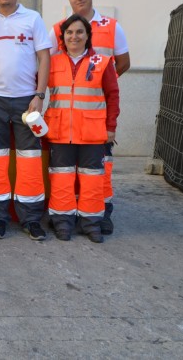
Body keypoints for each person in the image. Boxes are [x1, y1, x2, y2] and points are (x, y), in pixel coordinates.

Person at [49, 0, 131, 235]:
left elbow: (120, 68)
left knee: (96, 175)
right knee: (63, 176)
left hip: (95, 126)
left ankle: (97, 218)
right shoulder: (56, 37)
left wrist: (96, 80)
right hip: (64, 127)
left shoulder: (111, 27)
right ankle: (64, 219)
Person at [0, 0, 51, 241]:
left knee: (29, 160)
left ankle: (31, 219)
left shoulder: (33, 18)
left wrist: (39, 95)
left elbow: (44, 58)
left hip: (26, 99)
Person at [44, 14, 120, 243]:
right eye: (69, 32)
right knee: (61, 180)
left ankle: (91, 223)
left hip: (92, 133)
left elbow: (112, 95)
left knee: (92, 180)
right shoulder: (52, 62)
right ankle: (63, 222)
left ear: (88, 36)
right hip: (59, 131)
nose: (74, 36)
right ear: (62, 37)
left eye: (79, 32)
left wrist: (111, 127)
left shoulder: (102, 62)